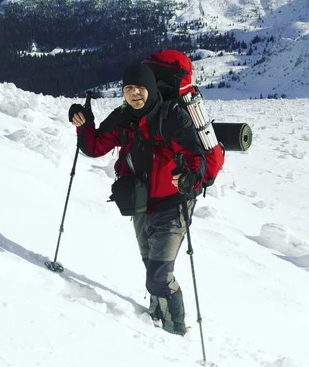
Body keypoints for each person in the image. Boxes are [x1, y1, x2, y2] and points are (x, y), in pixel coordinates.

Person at [68, 63, 206, 335]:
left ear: (151, 89)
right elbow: (95, 146)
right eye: (128, 89)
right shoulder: (123, 118)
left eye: (140, 88)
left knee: (158, 275)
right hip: (141, 204)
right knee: (150, 264)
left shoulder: (172, 117)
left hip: (173, 204)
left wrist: (189, 178)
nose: (134, 94)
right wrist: (84, 123)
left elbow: (195, 158)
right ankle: (156, 317)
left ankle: (176, 331)